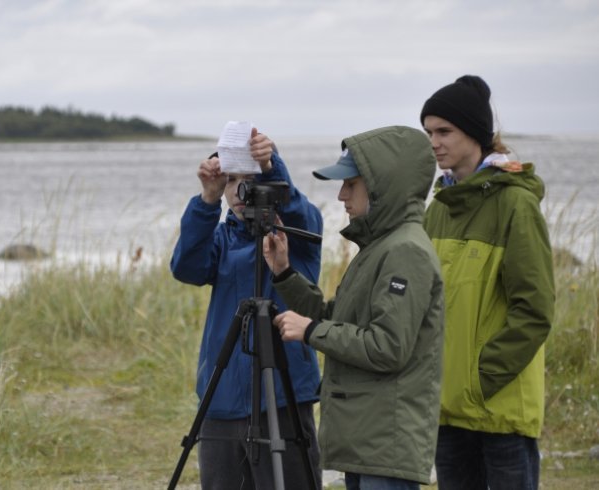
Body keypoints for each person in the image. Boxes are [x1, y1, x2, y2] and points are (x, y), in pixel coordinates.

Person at [265, 125, 444, 489]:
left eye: (351, 184)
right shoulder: (379, 247)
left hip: (386, 444)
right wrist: (284, 273)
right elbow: (337, 319)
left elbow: (387, 347)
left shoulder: (405, 251)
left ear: (382, 186)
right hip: (370, 439)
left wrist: (312, 332)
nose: (341, 195)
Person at [420, 75, 555, 490]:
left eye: (444, 131)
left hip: (499, 412)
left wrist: (481, 380)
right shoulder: (437, 209)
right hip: (447, 409)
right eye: (428, 133)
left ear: (475, 135)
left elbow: (534, 310)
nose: (434, 142)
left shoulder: (515, 204)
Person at [171, 127, 324, 489]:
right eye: (231, 181)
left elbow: (301, 213)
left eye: (250, 181)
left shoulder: (296, 234)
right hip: (223, 394)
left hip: (282, 396)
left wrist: (271, 166)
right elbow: (187, 268)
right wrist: (207, 200)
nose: (239, 192)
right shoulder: (221, 238)